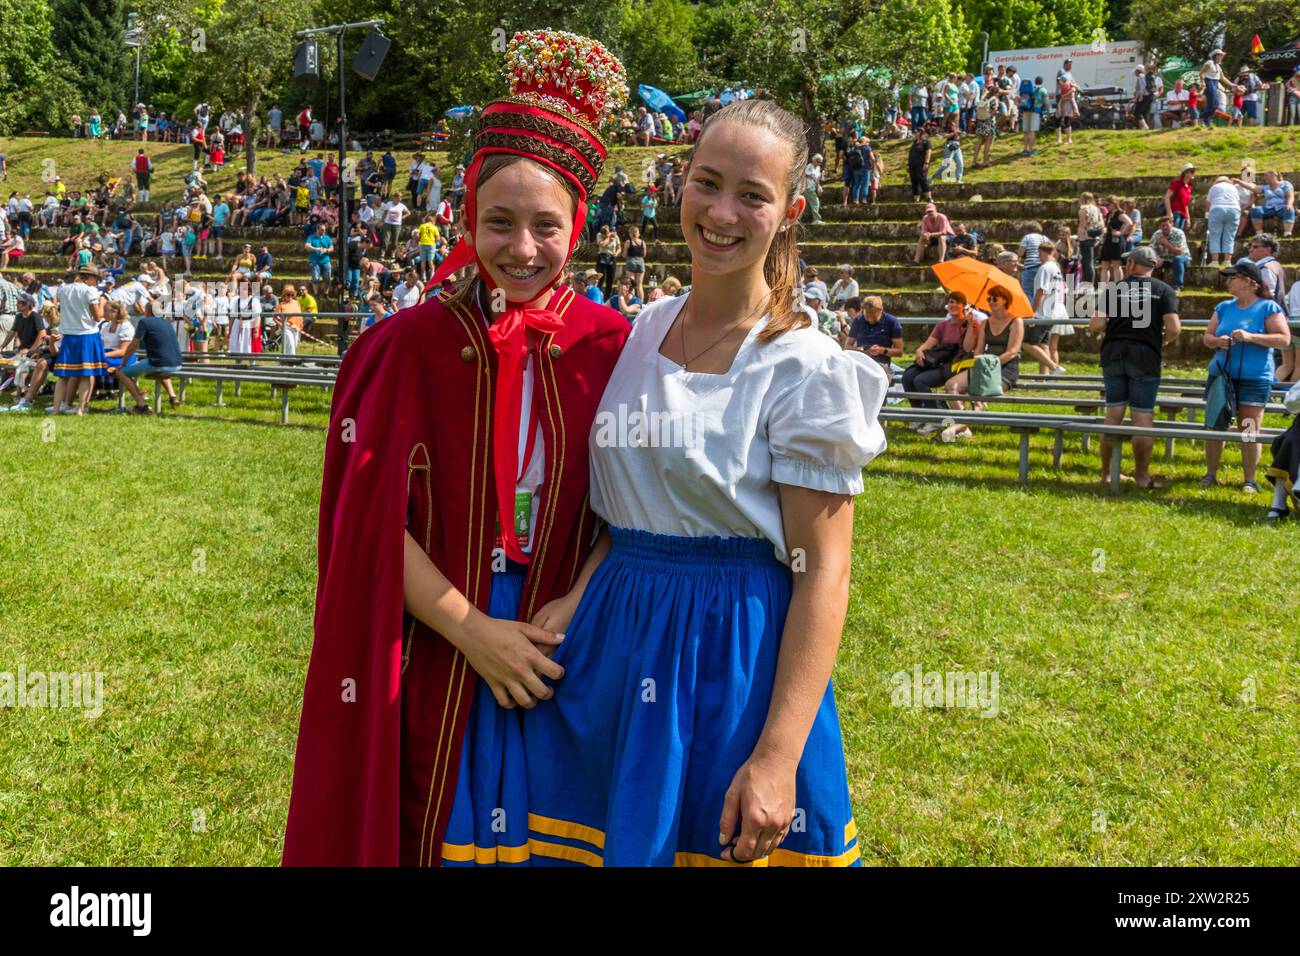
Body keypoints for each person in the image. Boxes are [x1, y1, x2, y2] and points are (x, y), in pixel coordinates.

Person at [282, 30, 631, 867]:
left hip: (563, 641)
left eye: (546, 225)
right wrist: (474, 630)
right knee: (436, 831)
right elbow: (365, 522)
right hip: (438, 638)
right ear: (465, 221)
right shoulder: (404, 345)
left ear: (577, 225)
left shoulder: (615, 345)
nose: (521, 248)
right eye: (498, 222)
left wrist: (573, 607)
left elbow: (642, 505)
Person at [521, 96, 885, 868]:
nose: (722, 212)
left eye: (753, 195)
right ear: (678, 184)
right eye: (706, 183)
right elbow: (626, 511)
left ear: (788, 211)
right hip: (614, 641)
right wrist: (580, 596)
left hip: (733, 655)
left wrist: (779, 756)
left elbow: (825, 572)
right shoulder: (641, 328)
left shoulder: (805, 367)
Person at [1088, 247, 1181, 489]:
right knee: (1142, 417)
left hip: (1113, 353)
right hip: (1145, 355)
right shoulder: (1164, 290)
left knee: (1113, 415)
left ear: (1130, 264)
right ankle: (1142, 476)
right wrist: (1162, 341)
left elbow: (1096, 323)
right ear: (1154, 266)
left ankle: (1107, 474)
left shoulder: (1114, 289)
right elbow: (1174, 328)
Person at [1201, 261, 1292, 493]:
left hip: (1255, 378)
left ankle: (1249, 480)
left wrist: (1250, 337)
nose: (1228, 280)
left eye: (1233, 276)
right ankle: (1210, 475)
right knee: (1214, 426)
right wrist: (1218, 342)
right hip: (1221, 377)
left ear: (1250, 282)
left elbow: (1283, 339)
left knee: (1249, 429)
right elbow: (1207, 337)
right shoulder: (1222, 307)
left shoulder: (1268, 308)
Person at [940, 284, 1024, 440]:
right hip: (984, 365)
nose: (990, 301)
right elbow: (978, 349)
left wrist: (991, 364)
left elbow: (1013, 351)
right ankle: (963, 429)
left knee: (980, 392)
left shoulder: (1016, 321)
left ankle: (957, 427)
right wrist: (979, 362)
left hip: (1005, 368)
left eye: (994, 299)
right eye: (988, 298)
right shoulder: (986, 322)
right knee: (951, 385)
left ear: (1005, 300)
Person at [903, 291, 980, 424]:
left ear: (964, 305)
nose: (953, 305)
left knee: (920, 381)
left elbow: (968, 347)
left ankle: (935, 418)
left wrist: (969, 325)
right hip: (940, 362)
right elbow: (928, 343)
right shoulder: (942, 325)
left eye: (956, 302)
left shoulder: (973, 325)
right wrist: (919, 351)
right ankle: (919, 414)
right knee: (908, 377)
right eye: (950, 302)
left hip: (957, 365)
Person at [51, 265, 108, 415]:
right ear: (88, 277)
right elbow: (97, 316)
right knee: (86, 374)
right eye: (96, 279)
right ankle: (80, 410)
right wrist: (102, 303)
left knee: (63, 376)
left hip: (68, 335)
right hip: (87, 334)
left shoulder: (63, 289)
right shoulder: (90, 291)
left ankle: (56, 410)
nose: (96, 282)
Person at [114, 307, 183, 412]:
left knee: (121, 373)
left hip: (158, 363)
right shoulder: (167, 323)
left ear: (147, 311)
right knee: (161, 367)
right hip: (177, 363)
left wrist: (123, 363)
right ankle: (173, 396)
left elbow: (133, 345)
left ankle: (140, 403)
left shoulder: (144, 322)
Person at [1029, 241, 1068, 374]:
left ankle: (1054, 367)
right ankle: (1043, 377)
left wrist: (1032, 312)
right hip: (1053, 312)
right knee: (1043, 345)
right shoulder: (1055, 267)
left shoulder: (1045, 268)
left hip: (1044, 313)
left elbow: (1041, 291)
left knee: (1026, 343)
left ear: (1041, 252)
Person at [846, 295, 902, 369]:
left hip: (881, 365)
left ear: (880, 310)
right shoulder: (858, 321)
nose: (870, 320)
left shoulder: (892, 322)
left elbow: (899, 352)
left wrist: (882, 350)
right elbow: (847, 346)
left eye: (873, 317)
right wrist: (859, 350)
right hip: (860, 363)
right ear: (862, 311)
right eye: (867, 317)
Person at [1205, 174, 1243, 266]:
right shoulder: (1233, 188)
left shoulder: (1214, 187)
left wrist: (1207, 213)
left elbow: (1208, 202)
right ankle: (1227, 261)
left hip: (1217, 208)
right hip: (1234, 210)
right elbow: (1238, 201)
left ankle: (1215, 261)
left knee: (1215, 235)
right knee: (1230, 236)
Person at [1248, 170, 1295, 238]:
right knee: (1256, 210)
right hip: (1269, 208)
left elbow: (1290, 196)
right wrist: (1240, 182)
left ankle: (1287, 233)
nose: (1264, 177)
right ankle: (1259, 234)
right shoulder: (1265, 187)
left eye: (1266, 175)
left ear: (1274, 175)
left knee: (1289, 209)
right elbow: (1254, 188)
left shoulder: (1285, 184)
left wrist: (1289, 204)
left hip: (1282, 207)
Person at [1099, 196, 1132, 286]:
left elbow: (1129, 222)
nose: (1106, 206)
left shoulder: (1120, 213)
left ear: (1113, 204)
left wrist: (1121, 232)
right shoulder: (1110, 214)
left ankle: (1119, 286)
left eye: (1108, 204)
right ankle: (1103, 286)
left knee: (1116, 265)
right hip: (1108, 240)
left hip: (1116, 242)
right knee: (1105, 265)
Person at [1151, 217, 1191, 290]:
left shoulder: (1179, 233)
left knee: (1178, 259)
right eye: (1163, 226)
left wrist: (1166, 243)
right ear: (1160, 226)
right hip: (1165, 259)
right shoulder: (1157, 234)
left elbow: (1179, 252)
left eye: (1167, 225)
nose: (1165, 227)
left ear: (1171, 225)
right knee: (1149, 260)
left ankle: (1178, 285)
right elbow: (1151, 250)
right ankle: (1151, 285)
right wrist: (1157, 258)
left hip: (1182, 257)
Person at [1200, 49, 1227, 126]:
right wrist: (1203, 82)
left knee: (1211, 105)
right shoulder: (1209, 63)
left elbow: (1223, 78)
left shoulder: (1218, 66)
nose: (1222, 57)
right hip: (1209, 82)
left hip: (1215, 83)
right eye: (1221, 55)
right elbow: (1201, 73)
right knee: (1215, 105)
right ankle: (1201, 116)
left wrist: (1233, 85)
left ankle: (1206, 122)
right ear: (1216, 56)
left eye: (1222, 56)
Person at [907, 132, 932, 202]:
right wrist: (908, 164)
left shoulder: (926, 142)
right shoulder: (914, 143)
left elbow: (928, 152)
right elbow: (911, 154)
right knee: (914, 180)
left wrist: (926, 163)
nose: (915, 134)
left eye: (916, 132)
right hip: (912, 164)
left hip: (921, 164)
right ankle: (916, 197)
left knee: (922, 179)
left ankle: (929, 197)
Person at [803, 153, 824, 224]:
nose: (819, 163)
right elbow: (806, 174)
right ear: (814, 160)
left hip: (812, 188)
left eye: (820, 162)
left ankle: (797, 220)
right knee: (815, 202)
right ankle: (816, 219)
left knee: (805, 205)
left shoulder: (818, 168)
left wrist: (821, 176)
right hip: (808, 187)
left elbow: (818, 179)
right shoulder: (810, 166)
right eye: (818, 161)